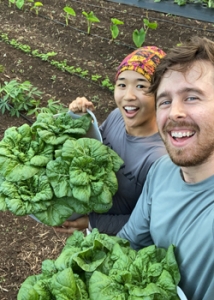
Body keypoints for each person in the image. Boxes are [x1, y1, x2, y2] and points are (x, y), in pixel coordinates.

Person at [117, 36, 214, 300]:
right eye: (165, 101)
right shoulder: (163, 169)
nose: (174, 113)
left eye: (192, 97)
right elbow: (129, 243)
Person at [55, 46, 167, 235]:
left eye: (141, 86)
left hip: (125, 245)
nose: (128, 96)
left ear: (161, 94)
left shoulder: (160, 157)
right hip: (95, 227)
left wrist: (91, 222)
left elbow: (150, 224)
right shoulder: (117, 116)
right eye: (122, 85)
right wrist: (79, 121)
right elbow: (90, 149)